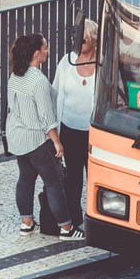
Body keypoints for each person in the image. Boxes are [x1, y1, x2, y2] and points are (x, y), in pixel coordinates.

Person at [5, 34, 84, 241]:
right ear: (36, 53)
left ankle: (27, 223)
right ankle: (67, 229)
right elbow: (47, 117)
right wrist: (57, 142)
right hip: (37, 140)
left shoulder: (15, 76)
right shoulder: (38, 81)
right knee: (54, 182)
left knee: (25, 178)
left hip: (18, 138)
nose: (47, 51)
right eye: (45, 48)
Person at [50, 19, 98, 233]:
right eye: (74, 38)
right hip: (69, 129)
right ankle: (74, 218)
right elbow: (55, 92)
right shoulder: (66, 61)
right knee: (73, 178)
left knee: (95, 177)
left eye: (83, 40)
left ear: (94, 41)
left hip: (94, 134)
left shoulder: (103, 65)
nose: (77, 43)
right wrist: (55, 132)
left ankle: (97, 217)